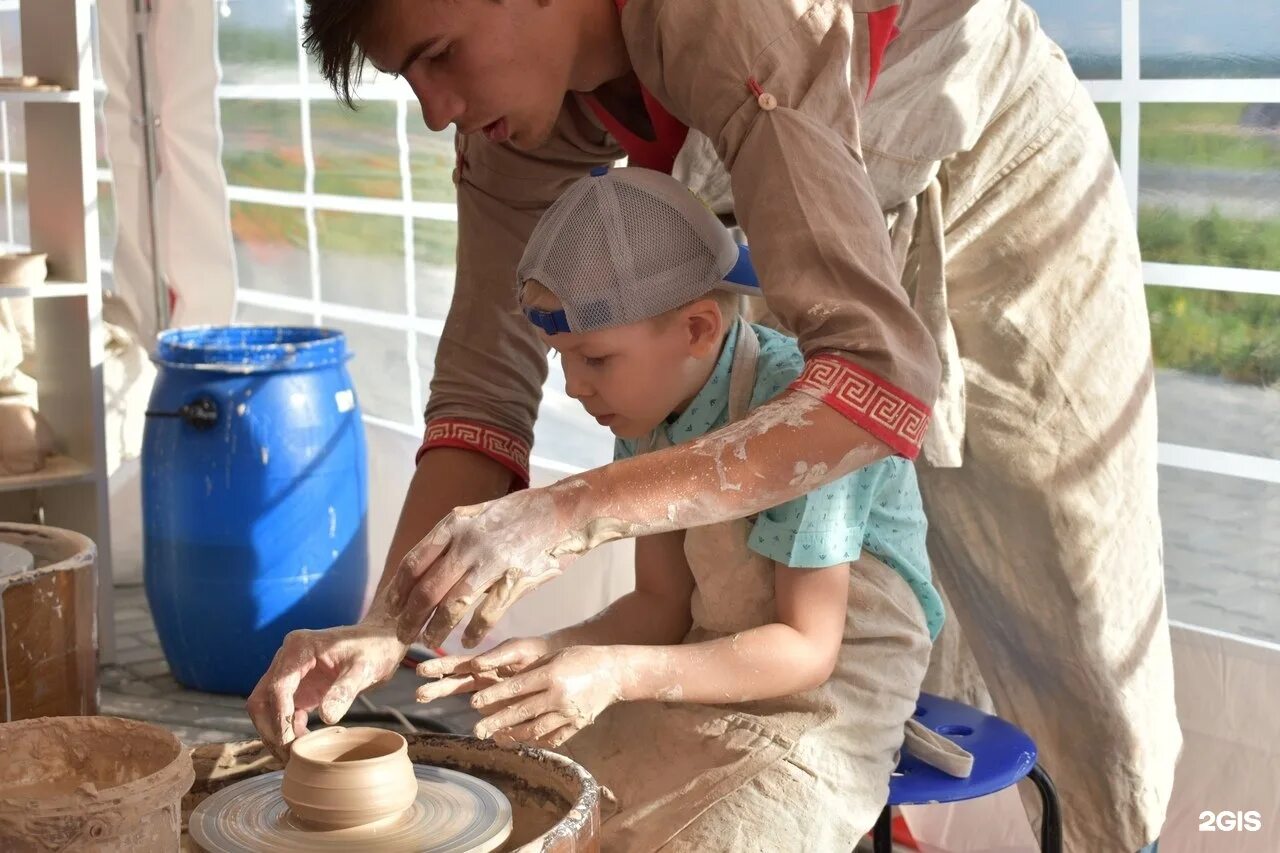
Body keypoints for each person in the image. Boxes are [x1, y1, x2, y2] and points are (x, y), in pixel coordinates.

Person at [247, 0, 1181, 849]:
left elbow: (871, 378)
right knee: (750, 565)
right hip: (773, 194)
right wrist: (386, 629)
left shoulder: (734, 17)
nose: (436, 110)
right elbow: (481, 396)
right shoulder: (513, 115)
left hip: (990, 159)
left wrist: (571, 513)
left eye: (439, 57)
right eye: (409, 79)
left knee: (1078, 615)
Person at [413, 165, 948, 849]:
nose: (575, 387)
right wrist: (549, 652)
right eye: (561, 360)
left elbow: (809, 649)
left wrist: (616, 672)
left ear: (698, 327)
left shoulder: (803, 412)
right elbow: (662, 604)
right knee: (544, 802)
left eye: (596, 358)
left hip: (834, 689)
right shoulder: (647, 409)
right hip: (708, 664)